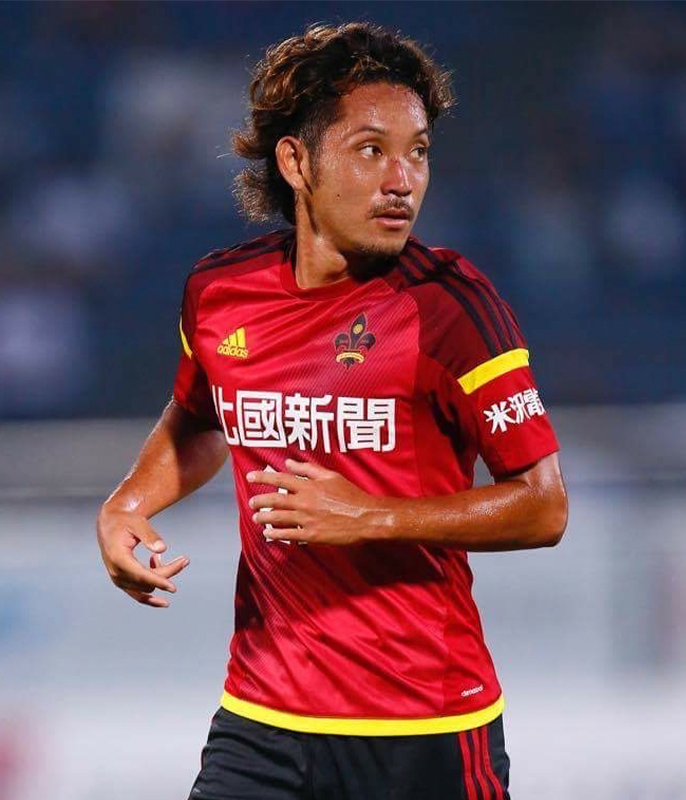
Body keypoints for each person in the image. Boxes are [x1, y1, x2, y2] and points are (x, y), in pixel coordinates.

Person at [96, 21, 568, 800]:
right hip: (262, 718)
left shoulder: (451, 309)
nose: (402, 180)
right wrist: (127, 504)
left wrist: (371, 515)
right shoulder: (219, 292)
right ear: (296, 161)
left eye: (418, 151)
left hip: (425, 728)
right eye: (370, 150)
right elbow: (203, 417)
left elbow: (543, 507)